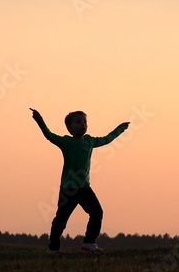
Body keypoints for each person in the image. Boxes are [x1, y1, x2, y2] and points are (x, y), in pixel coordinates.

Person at [30, 108, 130, 252]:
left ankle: (89, 242)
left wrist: (120, 129)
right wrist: (39, 120)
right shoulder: (66, 142)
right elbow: (49, 135)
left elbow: (106, 139)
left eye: (85, 122)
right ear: (69, 128)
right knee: (61, 220)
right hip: (68, 188)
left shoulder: (90, 141)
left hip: (84, 188)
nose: (83, 124)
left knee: (97, 212)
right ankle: (53, 248)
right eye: (78, 122)